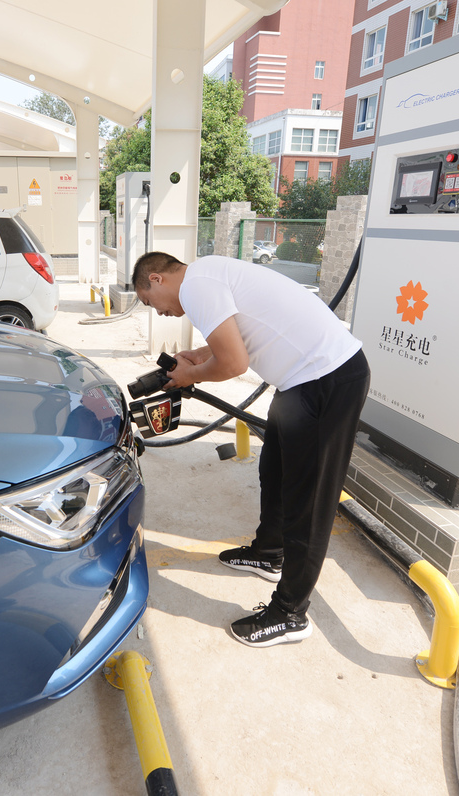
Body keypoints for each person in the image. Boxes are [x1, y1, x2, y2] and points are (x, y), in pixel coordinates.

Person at [131, 251, 370, 648]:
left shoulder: (196, 288)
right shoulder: (204, 276)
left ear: (156, 280)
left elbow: (235, 363)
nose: (158, 313)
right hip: (301, 383)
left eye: (147, 302)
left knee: (307, 502)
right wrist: (199, 357)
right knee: (274, 470)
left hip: (327, 379)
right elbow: (236, 340)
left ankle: (290, 613)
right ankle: (270, 552)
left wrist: (193, 373)